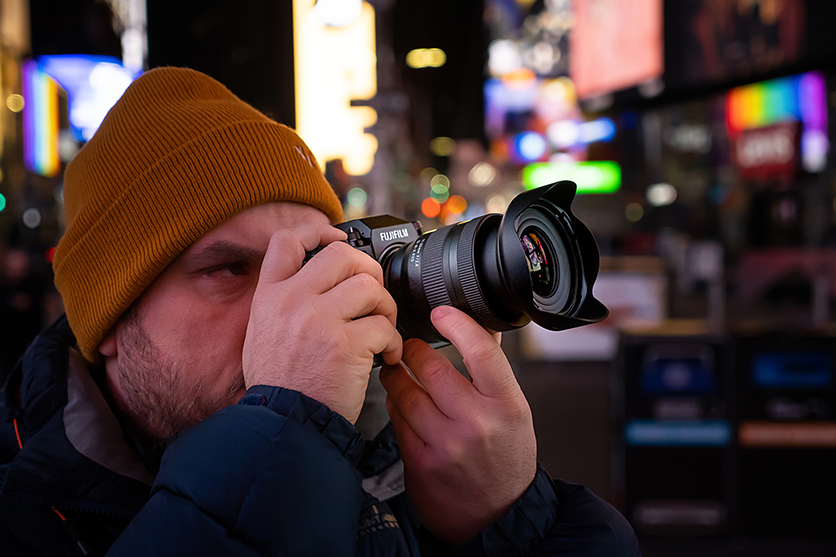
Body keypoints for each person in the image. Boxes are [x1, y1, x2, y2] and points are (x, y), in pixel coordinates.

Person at [0, 67, 641, 556]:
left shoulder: (408, 467)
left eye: (314, 262)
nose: (292, 304)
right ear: (113, 321)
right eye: (230, 270)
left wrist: (508, 524)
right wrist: (287, 427)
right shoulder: (22, 513)